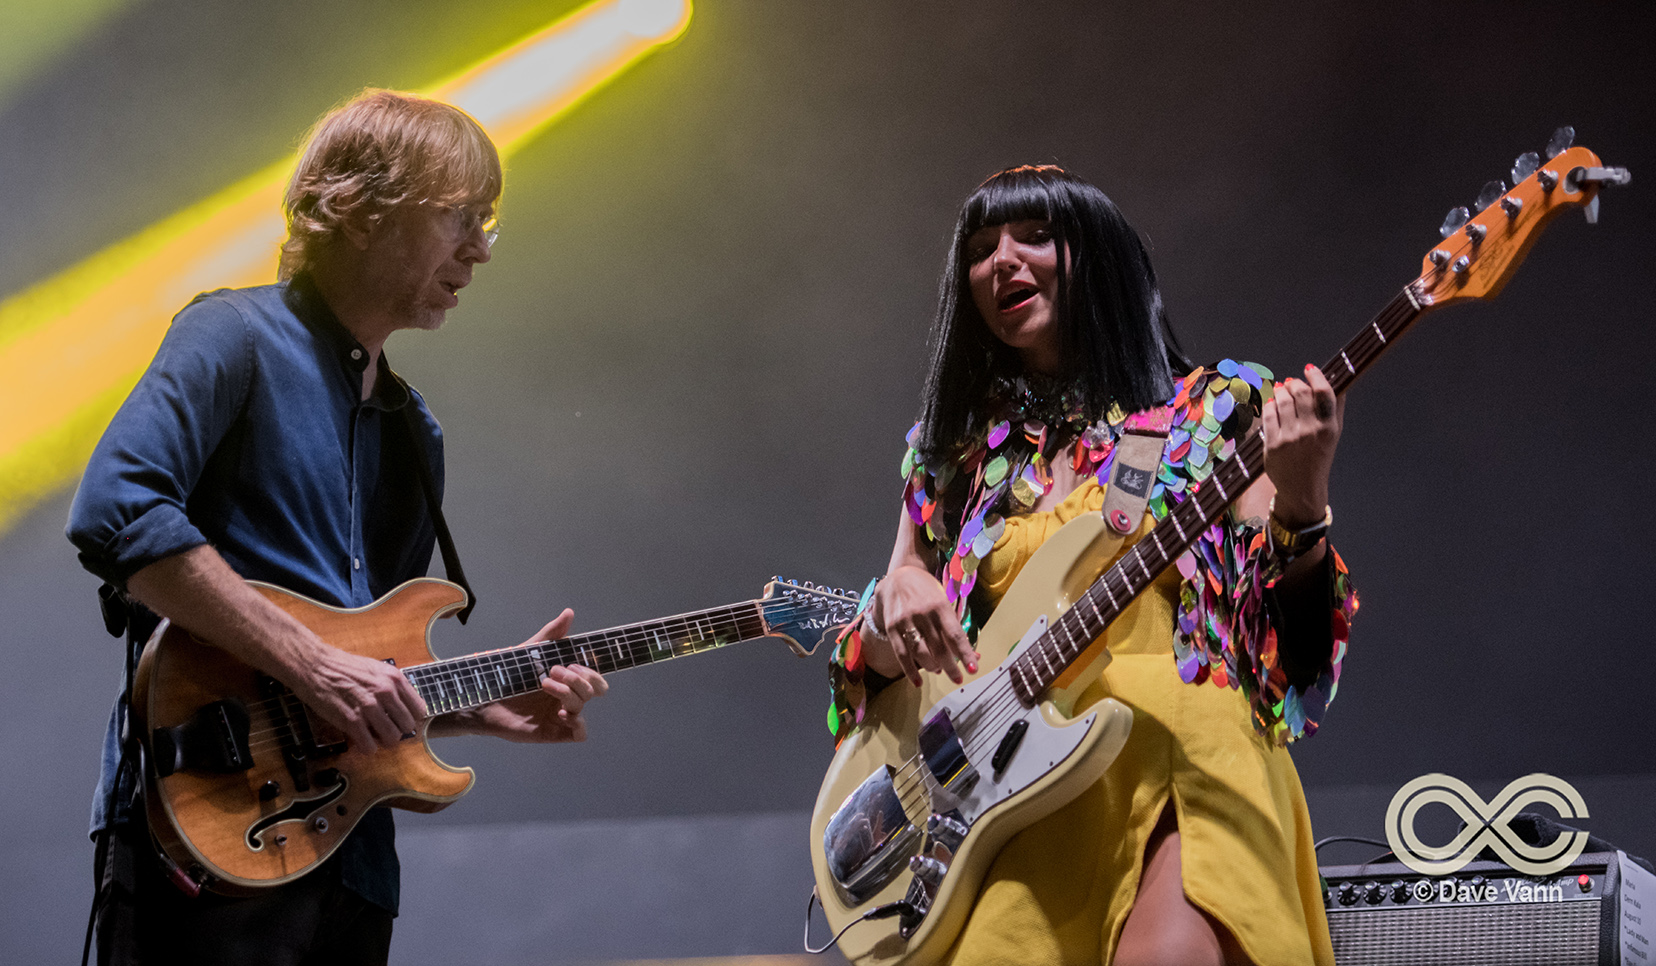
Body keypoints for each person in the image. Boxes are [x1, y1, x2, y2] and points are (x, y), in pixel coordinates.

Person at [67, 89, 608, 965]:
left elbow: (363, 661)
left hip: (349, 855)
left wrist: (473, 711)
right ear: (359, 209)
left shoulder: (413, 430)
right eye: (459, 217)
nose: (479, 249)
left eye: (488, 224)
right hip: (201, 832)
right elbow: (117, 510)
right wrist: (314, 664)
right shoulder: (229, 334)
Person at [827, 165, 1358, 966]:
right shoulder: (954, 461)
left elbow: (1295, 650)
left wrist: (1303, 498)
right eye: (980, 248)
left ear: (1099, 258)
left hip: (1181, 763)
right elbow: (882, 673)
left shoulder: (1209, 414)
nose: (1002, 260)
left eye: (1034, 236)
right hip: (1016, 801)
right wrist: (891, 598)